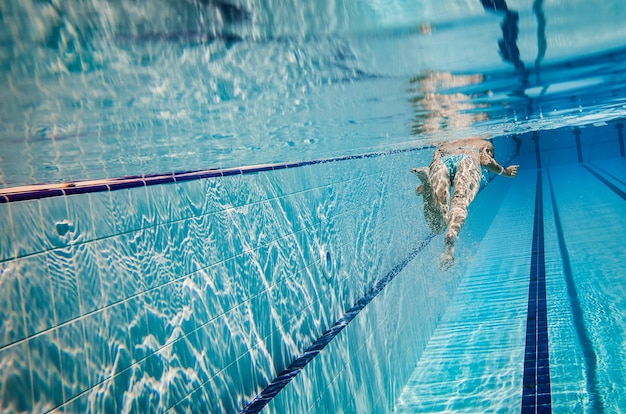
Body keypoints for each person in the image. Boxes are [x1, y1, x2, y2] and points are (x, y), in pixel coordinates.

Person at [411, 138, 519, 270]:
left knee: (437, 225)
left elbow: (434, 164)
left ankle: (427, 187)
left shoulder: (445, 142)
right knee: (460, 200)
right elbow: (486, 161)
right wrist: (505, 172)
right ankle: (451, 235)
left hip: (442, 163)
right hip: (468, 160)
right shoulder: (483, 143)